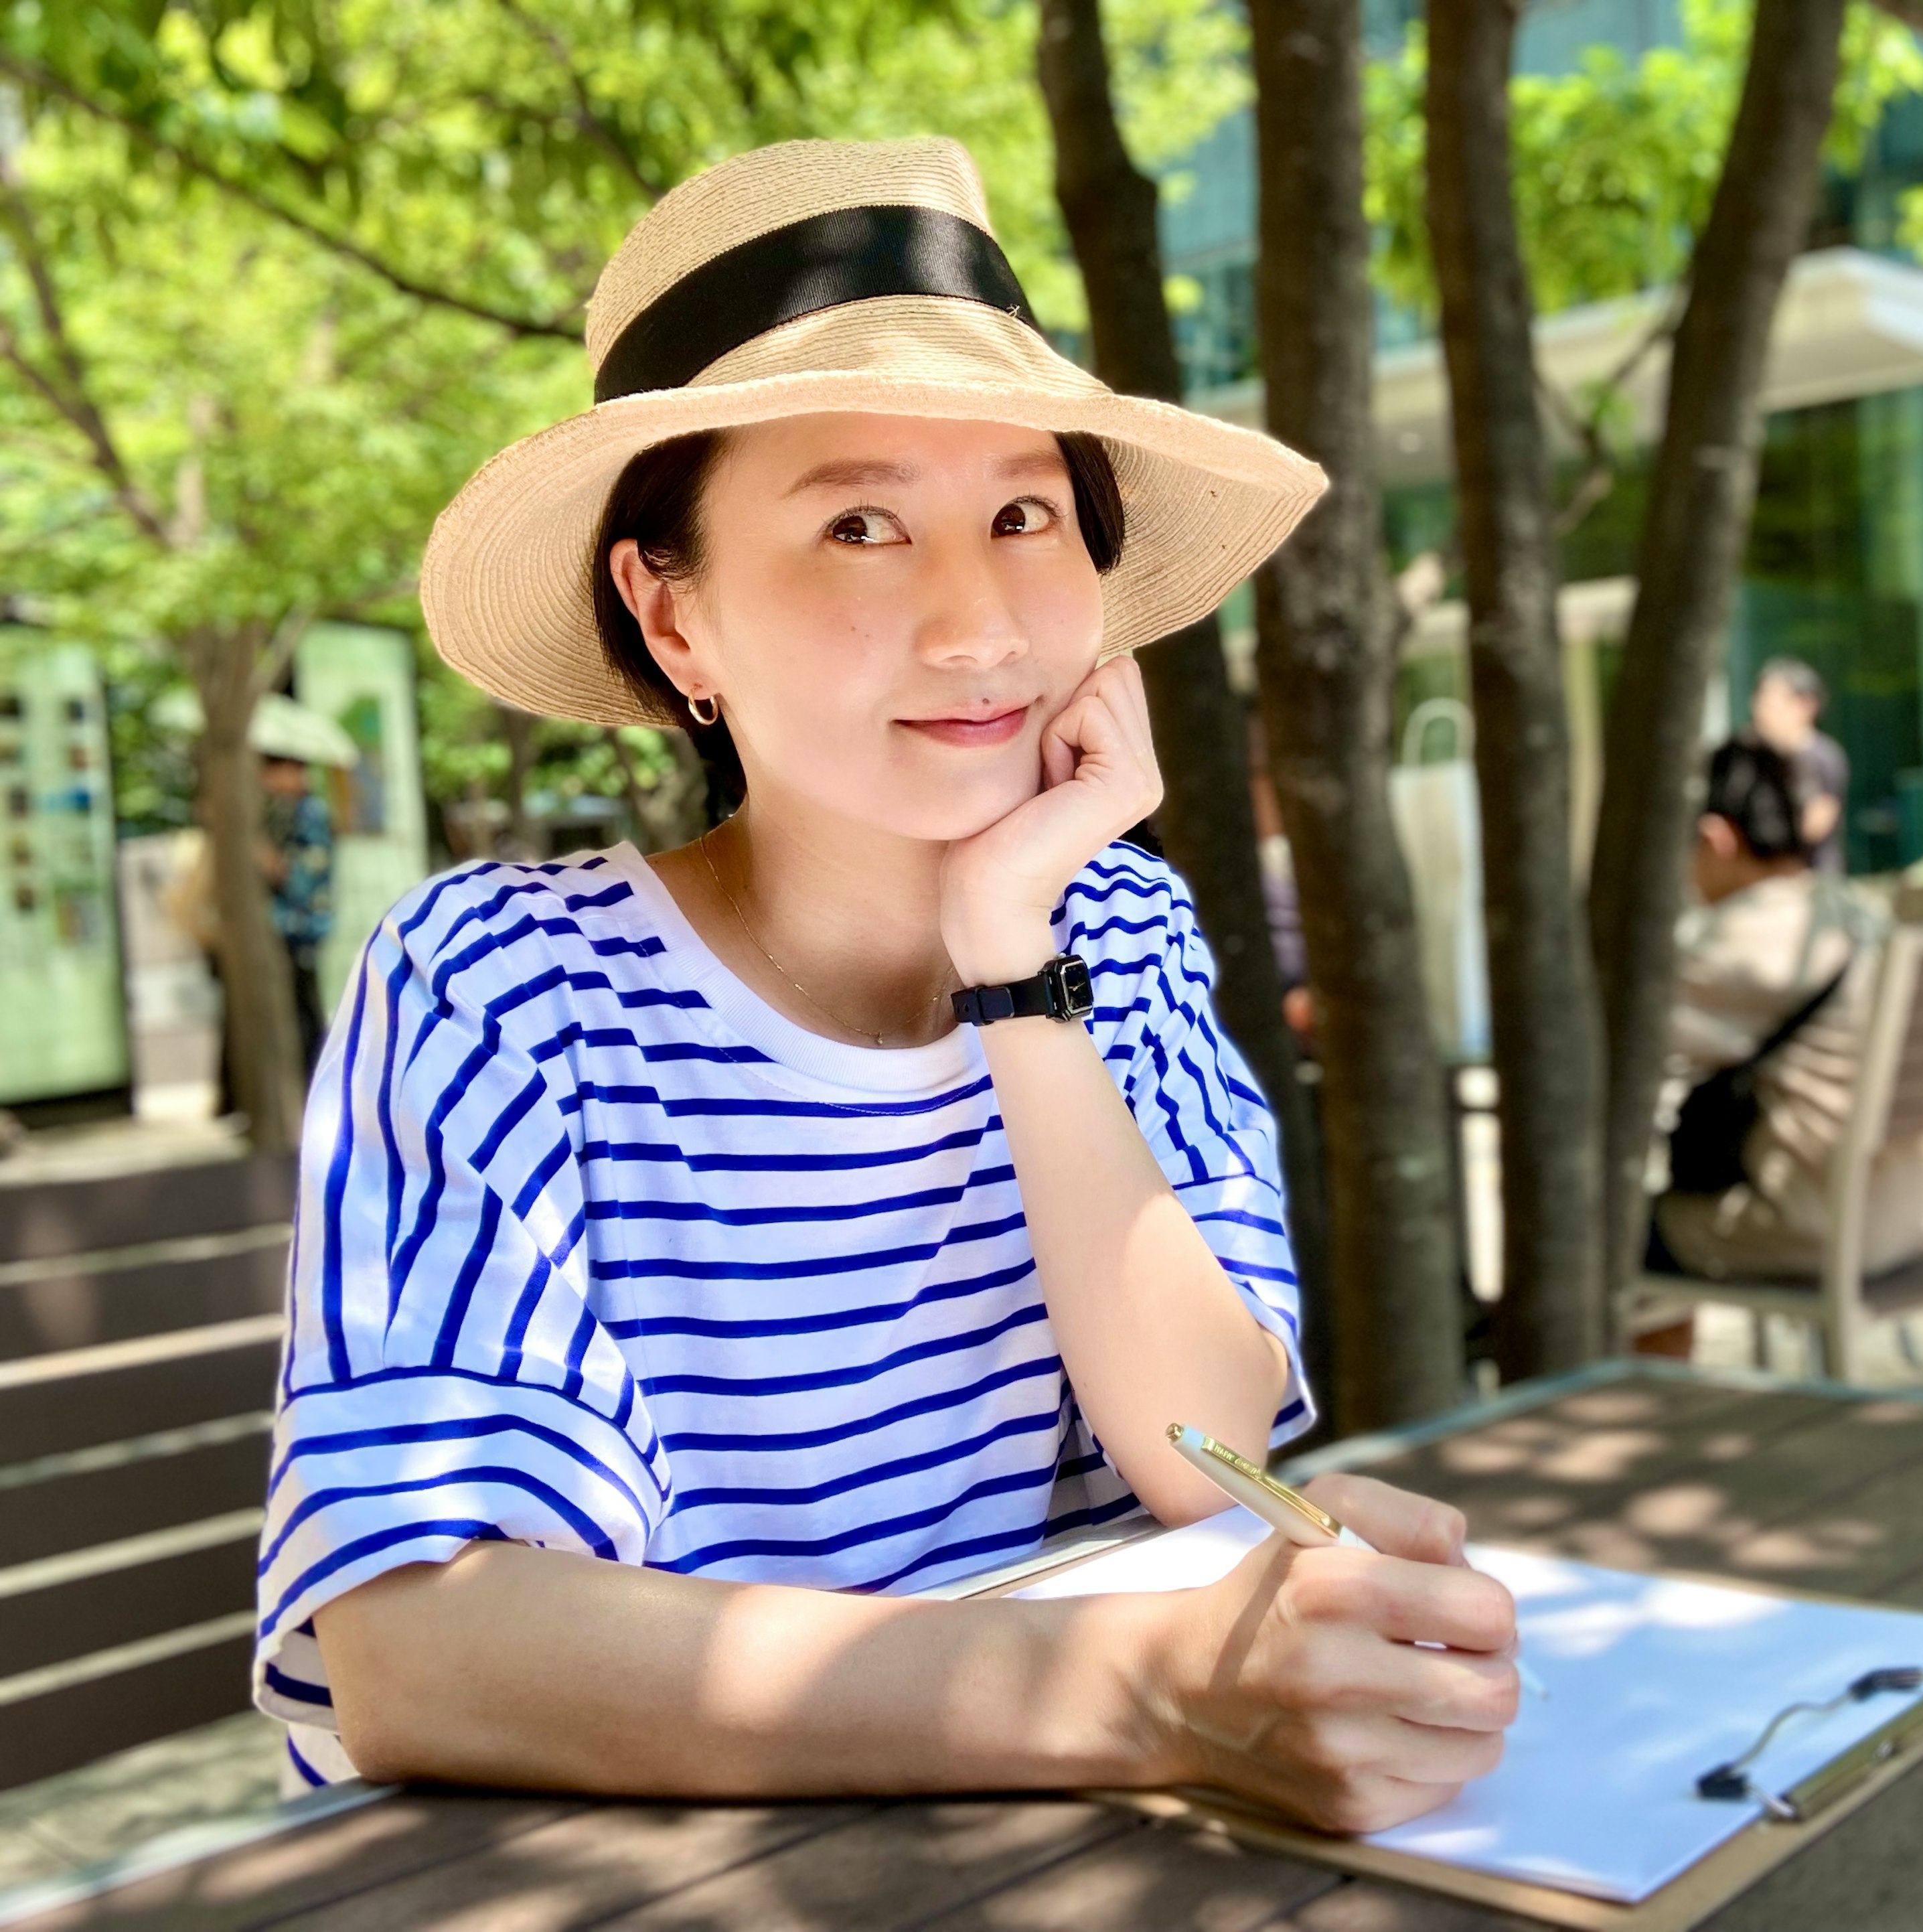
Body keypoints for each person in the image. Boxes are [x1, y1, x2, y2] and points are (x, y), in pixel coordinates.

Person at [250, 140, 1518, 1833]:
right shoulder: (502, 986)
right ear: (671, 615)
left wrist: (1015, 958)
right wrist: (1143, 1689)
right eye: (857, 523)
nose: (975, 620)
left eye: (1023, 514)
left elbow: (1199, 1445)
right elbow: (426, 1645)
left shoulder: (1116, 938)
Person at [1652, 739, 1923, 1288]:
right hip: (1902, 1210)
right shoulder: (1853, 912)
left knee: (1598, 1234)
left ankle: (1627, 1376)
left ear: (1716, 838)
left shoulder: (1734, 946)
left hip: (1811, 1226)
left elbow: (1619, 1053)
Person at [258, 752, 335, 1072]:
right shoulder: (284, 811)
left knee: (306, 1012)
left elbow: (302, 878)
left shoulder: (310, 814)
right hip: (291, 924)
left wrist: (267, 860)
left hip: (302, 924)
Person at [1748, 656, 1848, 875]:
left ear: (1806, 705)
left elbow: (1816, 825)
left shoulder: (1823, 757)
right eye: (1759, 699)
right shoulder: (1754, 755)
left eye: (1771, 702)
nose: (1760, 710)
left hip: (1811, 883)